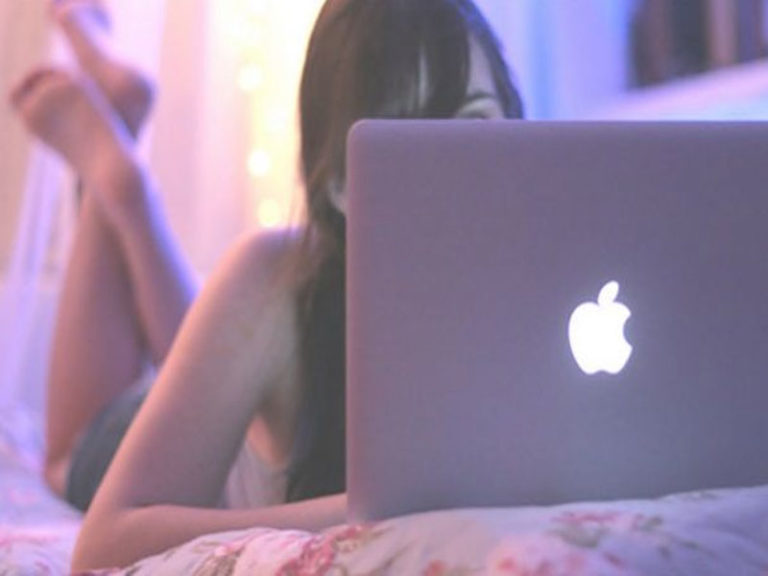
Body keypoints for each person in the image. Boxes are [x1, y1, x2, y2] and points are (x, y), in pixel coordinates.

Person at [10, 0, 524, 569]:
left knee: (225, 339)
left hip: (239, 382)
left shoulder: (551, 276)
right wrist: (376, 510)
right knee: (66, 456)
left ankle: (125, 159)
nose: (457, 167)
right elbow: (102, 546)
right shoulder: (277, 274)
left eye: (476, 120)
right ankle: (123, 185)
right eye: (409, 141)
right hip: (167, 436)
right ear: (339, 188)